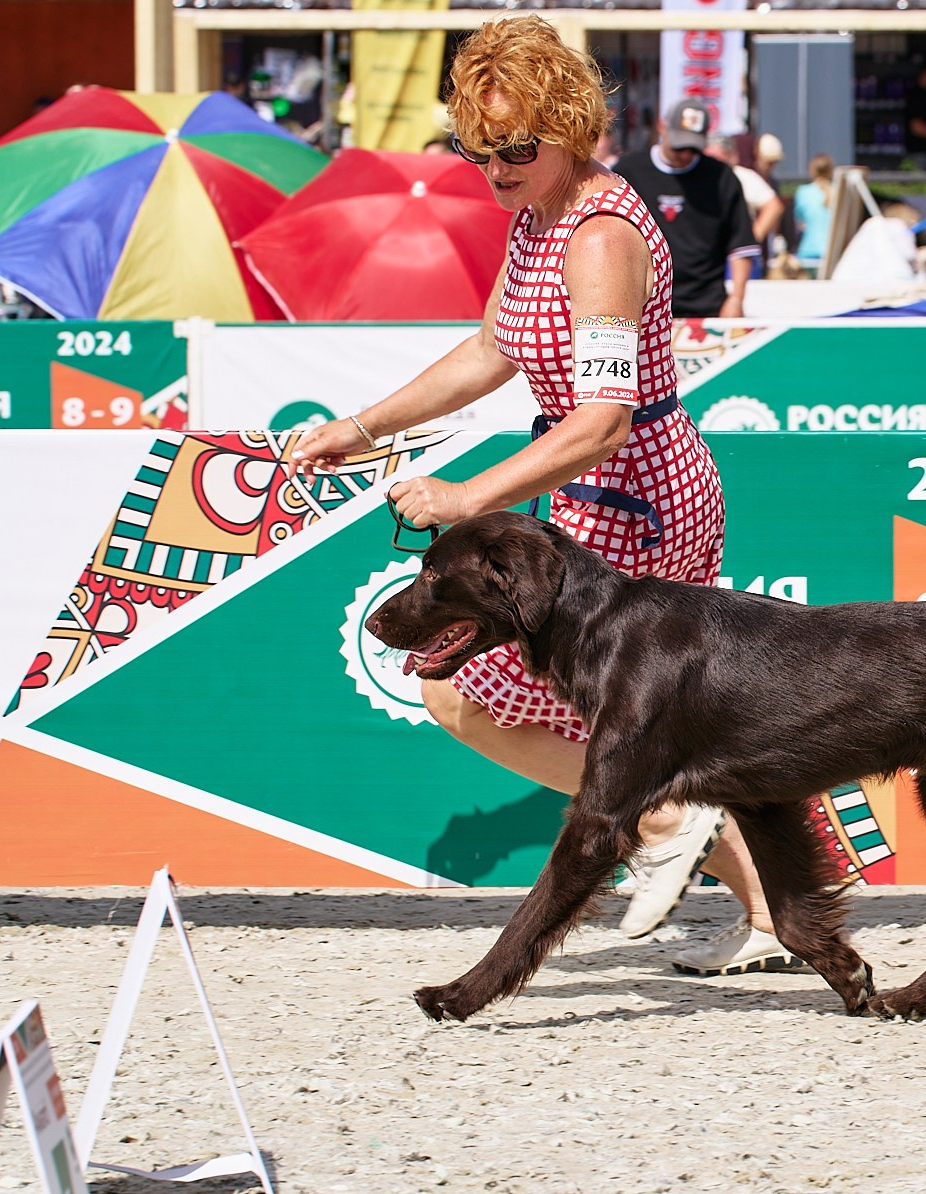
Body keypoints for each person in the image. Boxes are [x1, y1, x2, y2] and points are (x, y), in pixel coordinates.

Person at [285, 17, 791, 976]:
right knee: (593, 716)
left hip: (638, 493)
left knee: (486, 698)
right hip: (595, 492)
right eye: (482, 150)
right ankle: (763, 906)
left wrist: (466, 495)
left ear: (570, 124)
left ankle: (670, 822)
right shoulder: (539, 217)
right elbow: (491, 352)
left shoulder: (599, 233)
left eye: (518, 147)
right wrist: (363, 426)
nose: (498, 167)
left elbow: (601, 421)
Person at [616, 99, 758, 319]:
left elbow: (741, 245)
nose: (685, 155)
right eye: (679, 146)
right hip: (643, 307)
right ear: (662, 127)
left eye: (693, 148)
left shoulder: (721, 177)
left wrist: (736, 299)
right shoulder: (629, 171)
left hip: (707, 307)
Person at [707, 136, 785, 267]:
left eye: (715, 158)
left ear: (731, 156)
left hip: (735, 256)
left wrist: (751, 238)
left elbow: (774, 206)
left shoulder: (742, 177)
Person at [792, 153, 836, 270]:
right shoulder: (839, 192)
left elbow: (800, 223)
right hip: (834, 253)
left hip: (808, 252)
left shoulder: (803, 192)